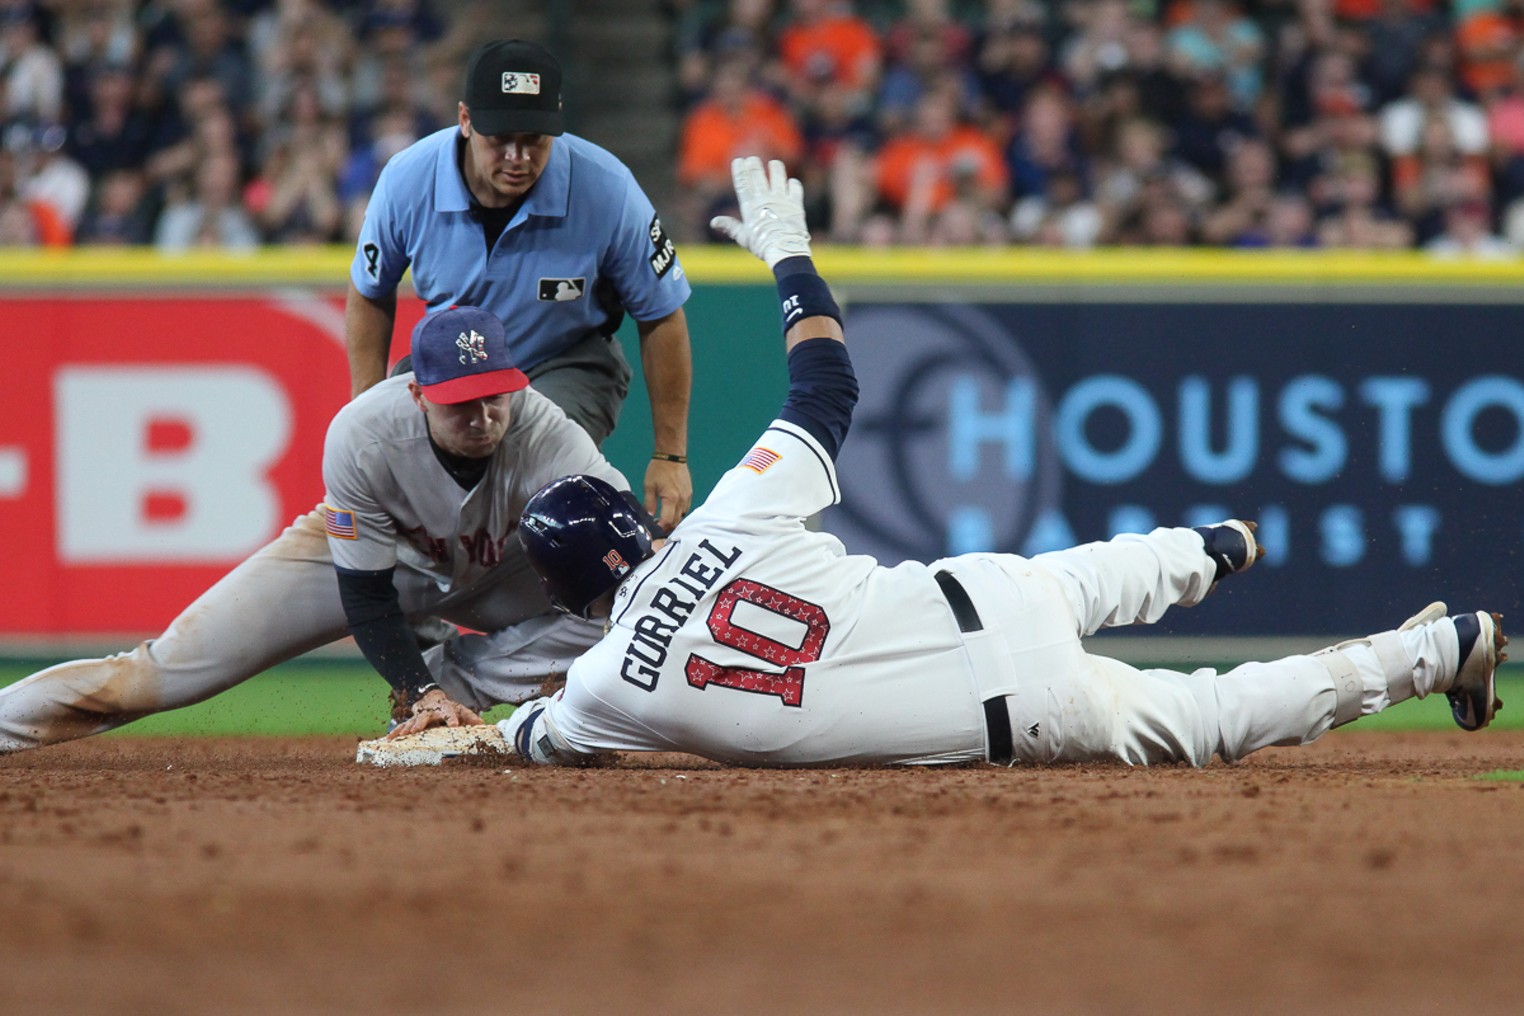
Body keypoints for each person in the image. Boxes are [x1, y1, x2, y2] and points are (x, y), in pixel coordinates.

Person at [485, 157, 1506, 769]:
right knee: (1077, 573)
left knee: (1215, 713)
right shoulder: (714, 524)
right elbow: (828, 391)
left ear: (574, 602)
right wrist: (789, 255)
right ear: (638, 524)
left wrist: (449, 717)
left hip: (1013, 713)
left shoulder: (603, 687)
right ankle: (1209, 549)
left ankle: (1438, 649)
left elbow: (529, 735)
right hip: (980, 594)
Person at [0, 306, 623, 753]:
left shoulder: (544, 429)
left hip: (500, 574)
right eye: (459, 400)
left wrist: (443, 683)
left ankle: (462, 675)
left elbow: (630, 544)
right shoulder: (363, 432)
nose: (483, 415)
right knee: (159, 673)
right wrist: (418, 689)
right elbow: (368, 594)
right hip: (380, 562)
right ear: (416, 394)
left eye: (495, 395)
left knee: (623, 608)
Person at [346, 39, 694, 530]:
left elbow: (662, 315)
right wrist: (367, 413)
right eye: (500, 138)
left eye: (535, 140)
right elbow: (369, 291)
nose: (517, 157)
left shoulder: (607, 188)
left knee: (525, 467)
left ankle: (565, 589)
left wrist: (670, 456)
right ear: (465, 121)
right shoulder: (408, 179)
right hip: (452, 363)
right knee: (385, 473)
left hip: (566, 359)